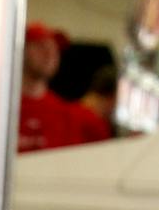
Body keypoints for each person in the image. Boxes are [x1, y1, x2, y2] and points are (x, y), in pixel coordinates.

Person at [18, 23, 100, 152]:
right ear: (21, 51)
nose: (50, 53)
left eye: (54, 48)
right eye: (40, 46)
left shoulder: (71, 117)